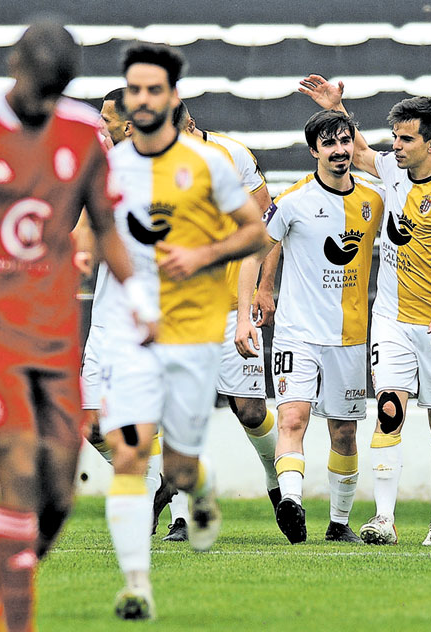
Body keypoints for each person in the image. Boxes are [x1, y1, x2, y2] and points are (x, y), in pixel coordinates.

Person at [0, 21, 157, 632]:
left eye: (57, 91)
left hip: (56, 334)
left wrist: (142, 299)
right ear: (14, 66)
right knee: (17, 474)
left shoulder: (85, 135)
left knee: (59, 499)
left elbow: (107, 225)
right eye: (39, 89)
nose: (45, 104)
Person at [97, 41, 268, 619]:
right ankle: (136, 586)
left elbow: (256, 235)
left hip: (195, 331)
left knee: (178, 467)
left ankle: (200, 485)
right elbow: (96, 240)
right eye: (132, 90)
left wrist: (201, 258)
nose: (141, 99)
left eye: (152, 89)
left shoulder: (211, 165)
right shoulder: (112, 168)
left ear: (172, 98)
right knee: (128, 452)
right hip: (132, 332)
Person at [299, 74, 431, 547]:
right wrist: (337, 109)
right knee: (389, 410)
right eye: (394, 136)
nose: (396, 145)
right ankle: (385, 521)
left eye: (406, 138)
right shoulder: (392, 168)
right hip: (390, 320)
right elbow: (364, 152)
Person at [247, 109, 384, 544]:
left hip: (348, 336)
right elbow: (257, 249)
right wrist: (255, 298)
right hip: (296, 333)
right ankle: (291, 502)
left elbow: (416, 235)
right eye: (330, 143)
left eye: (345, 141)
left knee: (344, 429)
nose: (340, 150)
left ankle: (339, 523)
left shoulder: (374, 200)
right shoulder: (290, 203)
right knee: (293, 417)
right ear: (314, 151)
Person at [161, 101, 281, 543]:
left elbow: (269, 227)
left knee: (249, 410)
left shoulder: (235, 156)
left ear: (189, 124)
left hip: (234, 303)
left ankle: (278, 485)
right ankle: (181, 515)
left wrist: (264, 289)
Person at [81, 87, 174, 535]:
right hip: (104, 320)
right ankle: (157, 481)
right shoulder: (102, 175)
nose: (100, 125)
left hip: (149, 323)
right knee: (90, 423)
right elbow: (85, 238)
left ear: (129, 126)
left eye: (105, 119)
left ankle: (148, 493)